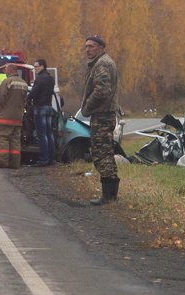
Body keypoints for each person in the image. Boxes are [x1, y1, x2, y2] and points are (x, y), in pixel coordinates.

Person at [81, 35, 119, 205]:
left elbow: (102, 90)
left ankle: (109, 195)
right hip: (103, 114)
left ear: (101, 47)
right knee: (104, 153)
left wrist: (88, 107)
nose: (88, 50)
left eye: (91, 46)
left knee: (101, 153)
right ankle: (109, 194)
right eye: (86, 47)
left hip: (103, 115)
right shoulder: (101, 62)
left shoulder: (102, 64)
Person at [0, 63, 28, 169]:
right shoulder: (24, 83)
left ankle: (1, 161)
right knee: (15, 140)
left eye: (5, 70)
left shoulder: (7, 82)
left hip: (5, 117)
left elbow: (1, 98)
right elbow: (25, 100)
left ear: (10, 70)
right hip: (18, 117)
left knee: (2, 138)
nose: (5, 72)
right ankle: (15, 163)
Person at [27, 58, 56, 166]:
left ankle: (44, 159)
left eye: (36, 66)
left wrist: (27, 99)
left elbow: (34, 92)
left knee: (42, 134)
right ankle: (52, 158)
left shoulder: (40, 79)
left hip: (40, 107)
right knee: (49, 134)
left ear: (42, 66)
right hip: (48, 107)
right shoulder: (50, 78)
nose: (35, 69)